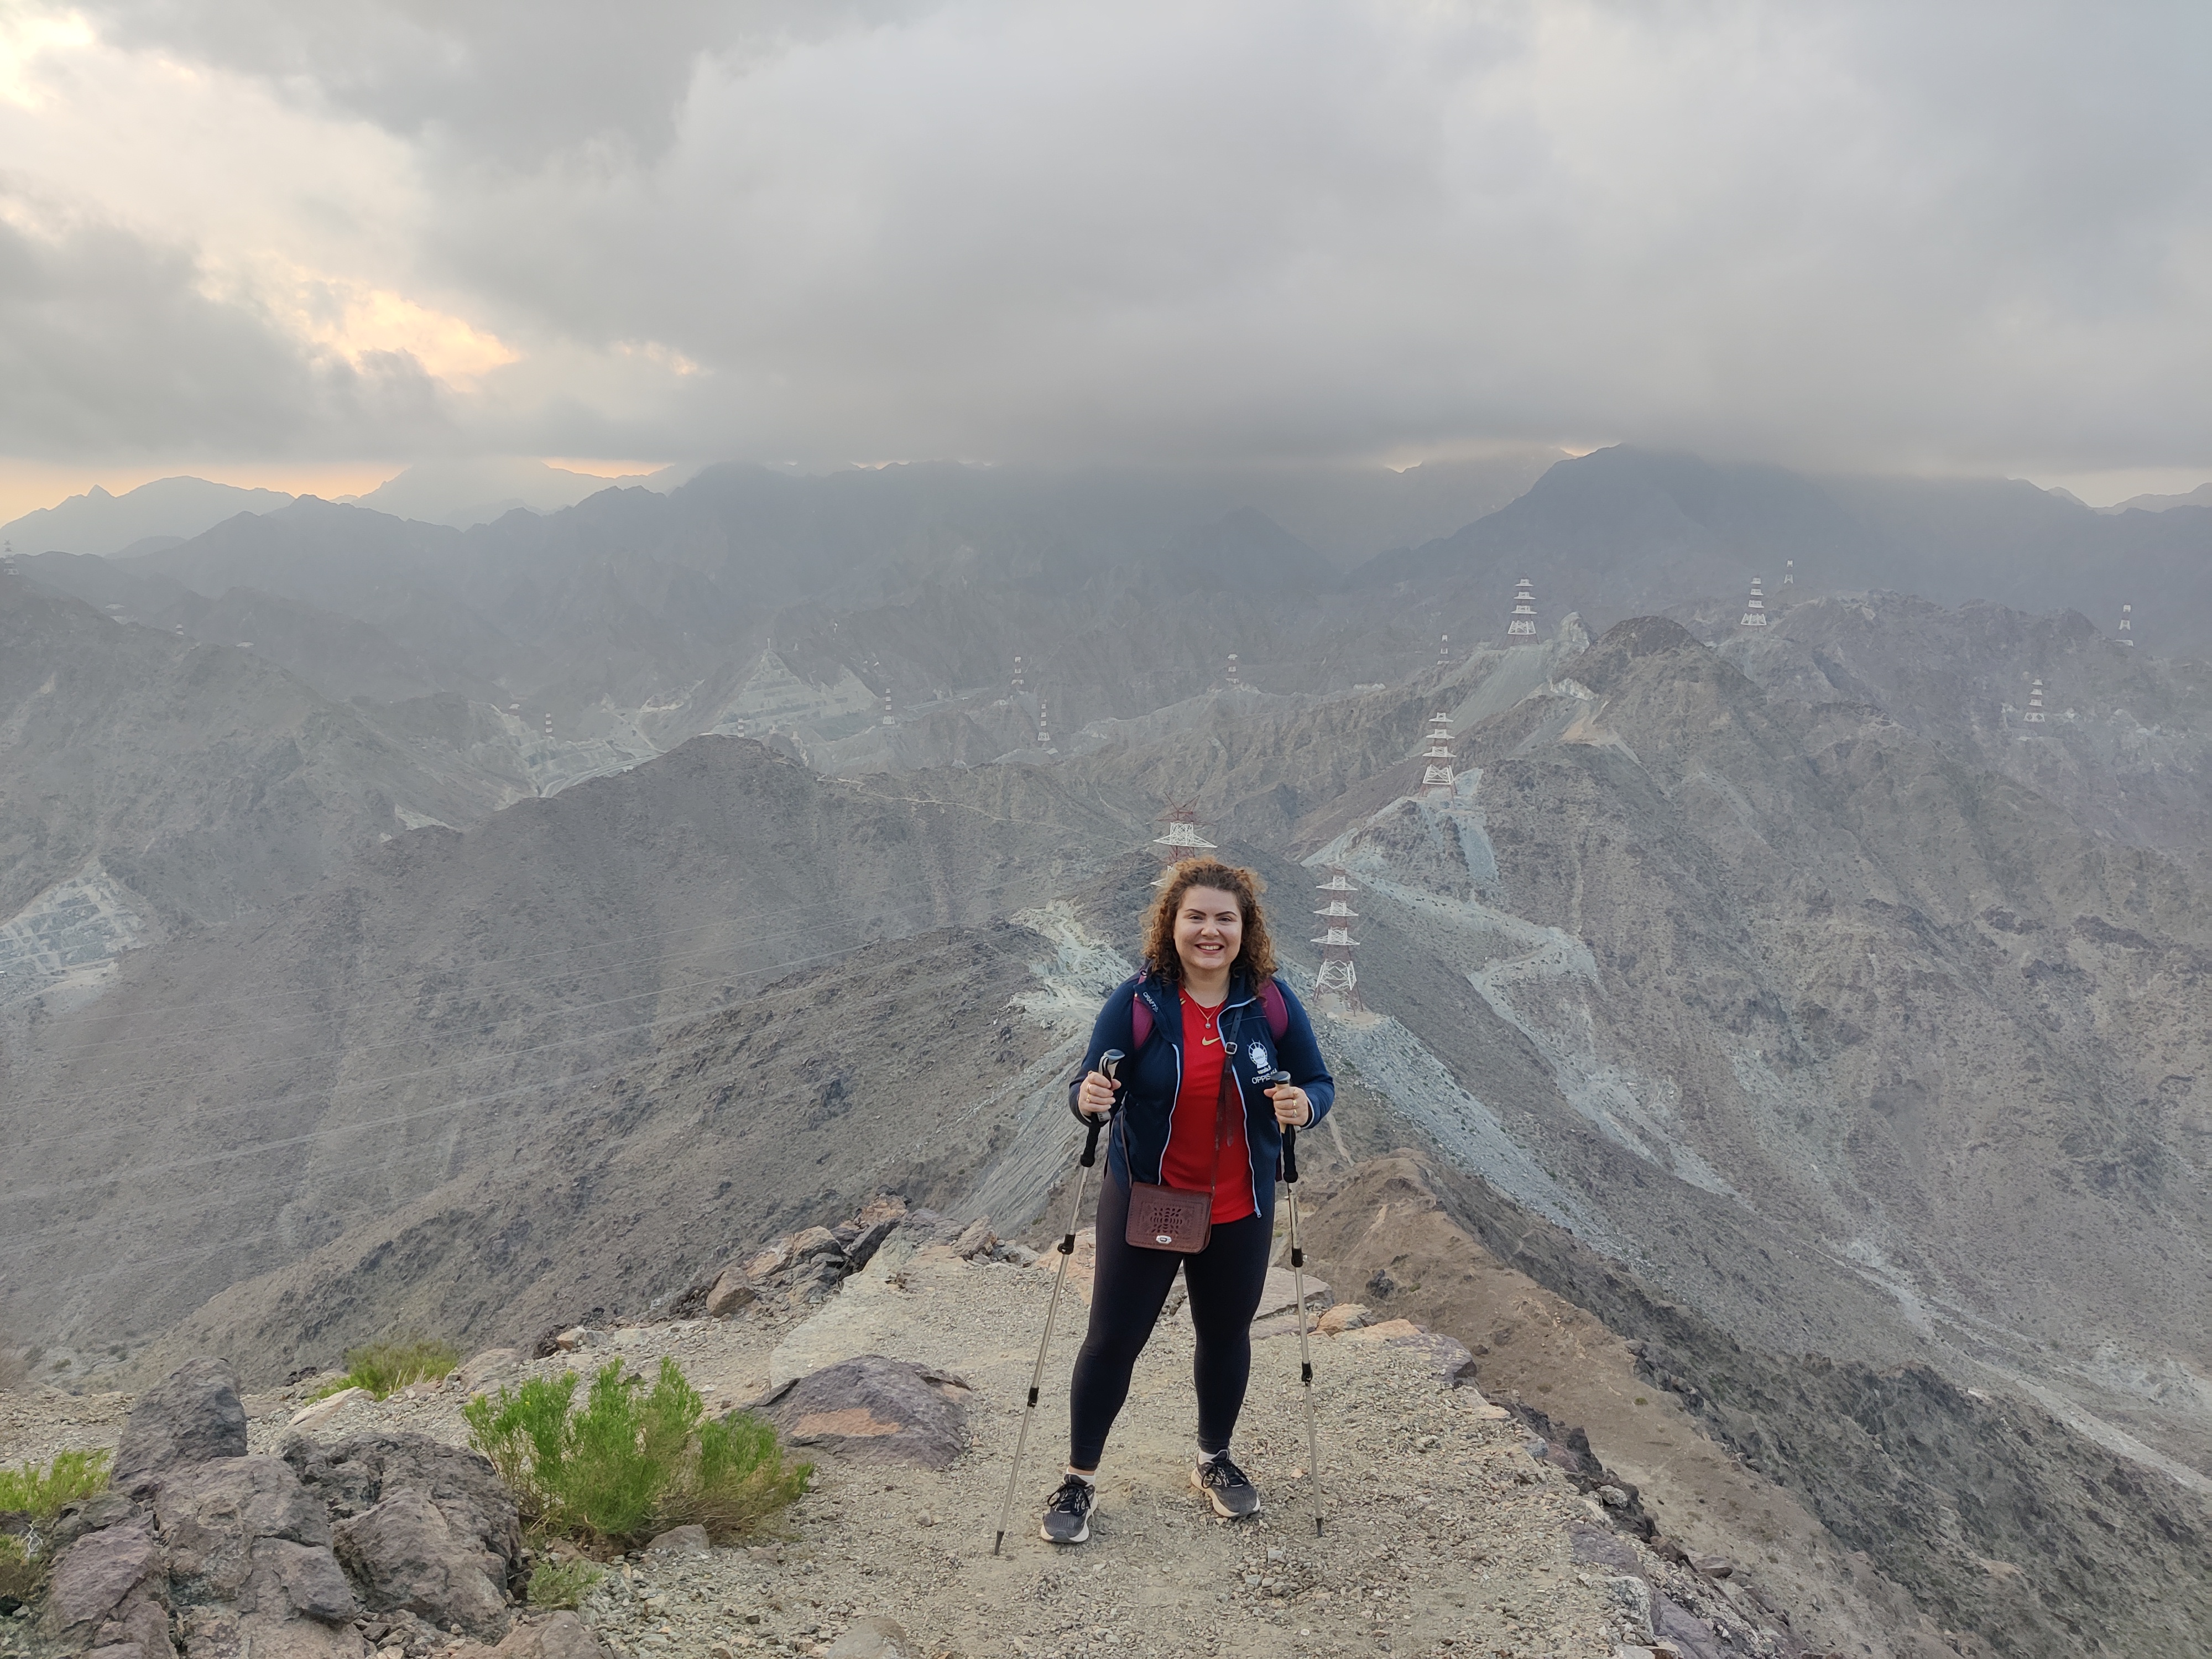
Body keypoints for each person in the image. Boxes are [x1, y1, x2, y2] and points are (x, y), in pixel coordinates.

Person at [1040, 857, 1335, 1544]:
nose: (1210, 931)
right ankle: (1078, 1478)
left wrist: (1305, 1106)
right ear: (1171, 926)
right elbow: (1091, 1088)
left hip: (1240, 1204)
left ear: (1245, 928)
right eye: (1195, 917)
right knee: (1113, 1340)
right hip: (1149, 1198)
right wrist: (1085, 1099)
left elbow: (1319, 1082)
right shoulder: (1137, 1003)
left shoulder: (1271, 1003)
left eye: (1224, 919)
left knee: (1226, 1336)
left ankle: (1214, 1459)